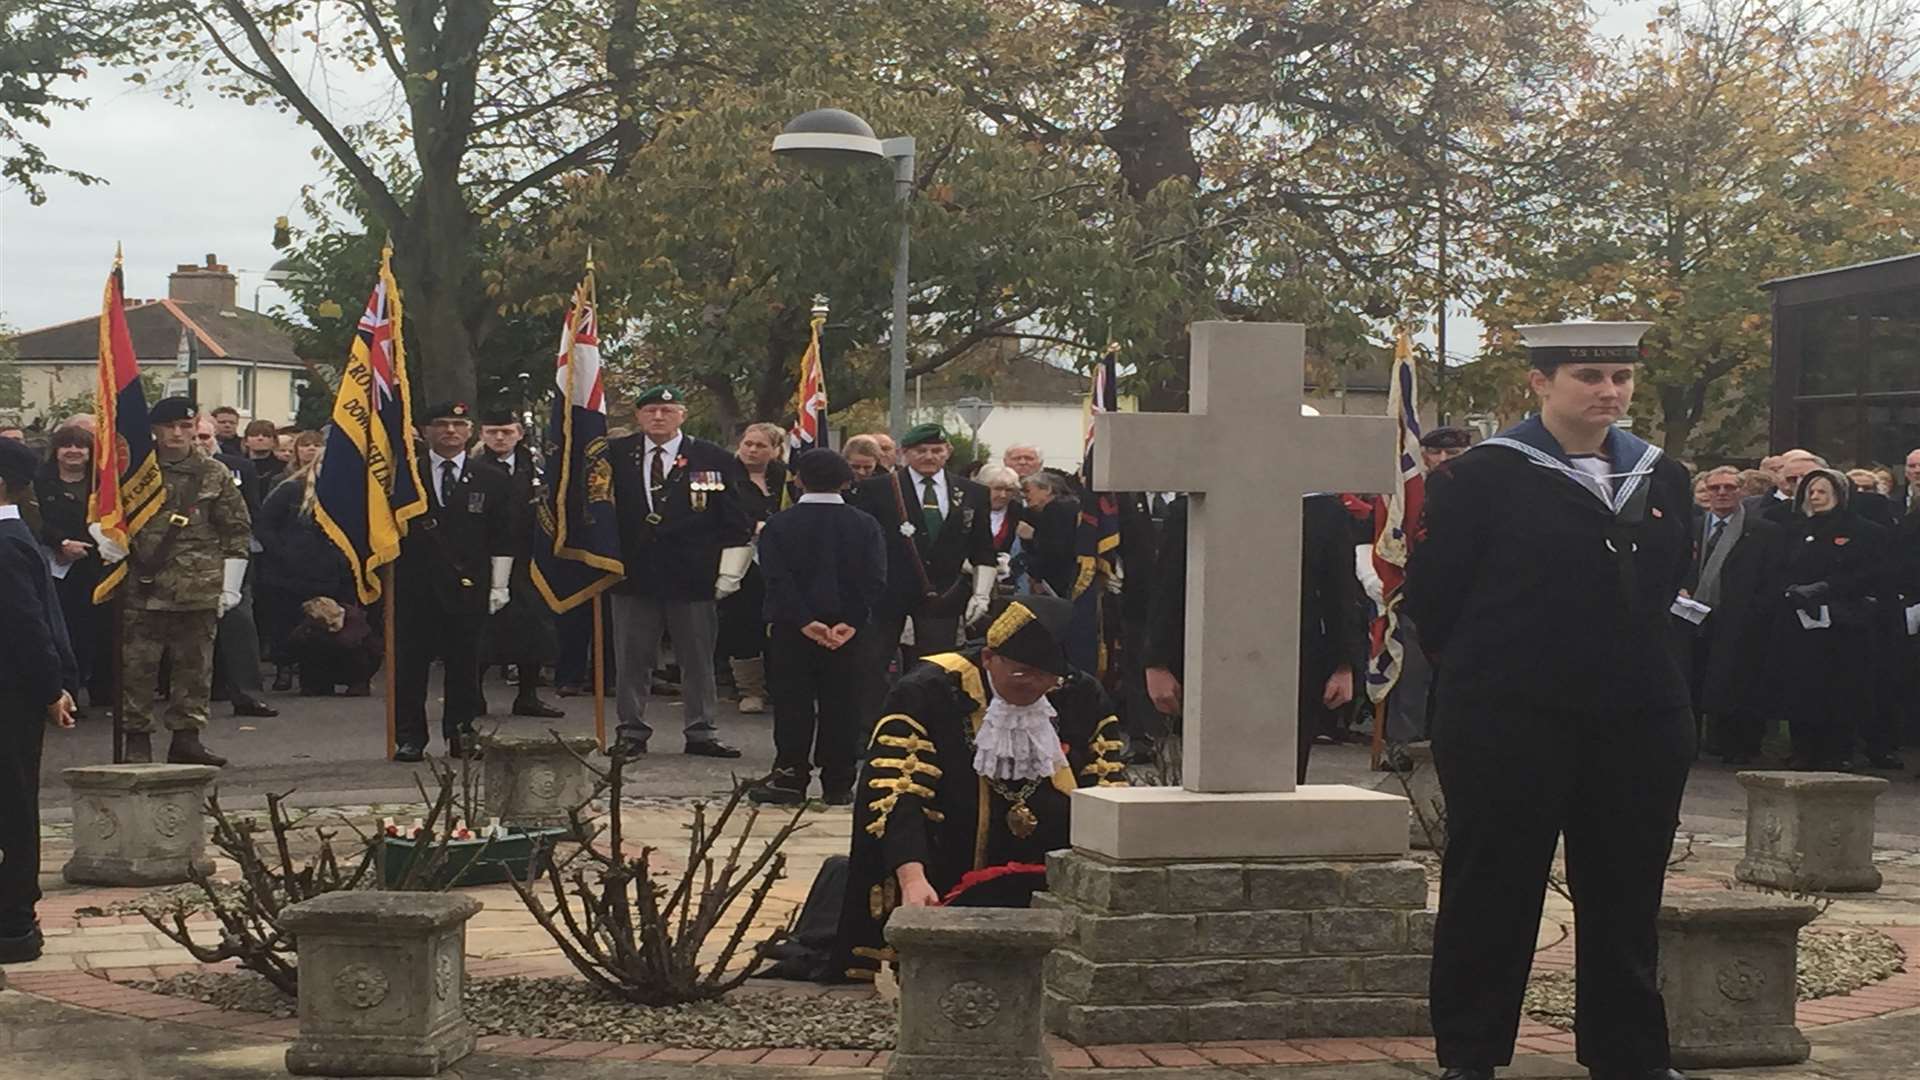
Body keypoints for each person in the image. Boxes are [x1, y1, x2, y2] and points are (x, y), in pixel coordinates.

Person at [1405, 322, 1691, 1080]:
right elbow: (1436, 599)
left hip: (1636, 714)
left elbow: (1665, 588)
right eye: (1589, 375)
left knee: (1627, 890)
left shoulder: (1664, 475)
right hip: (1510, 711)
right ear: (1540, 382)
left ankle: (1628, 1054)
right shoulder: (1479, 477)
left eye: (1621, 377)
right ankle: (1470, 1053)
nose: (1610, 391)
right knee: (1493, 884)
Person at [835, 595, 1128, 981]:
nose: (1036, 685)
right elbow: (897, 791)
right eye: (1023, 673)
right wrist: (912, 877)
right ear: (989, 658)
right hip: (948, 853)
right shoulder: (929, 690)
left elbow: (1105, 781)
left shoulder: (1078, 692)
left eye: (1047, 675)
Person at [1144, 489, 1364, 783]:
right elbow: (1169, 588)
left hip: (1295, 665)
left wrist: (1344, 665)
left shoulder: (1322, 510)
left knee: (1282, 785)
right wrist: (1157, 662)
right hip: (1211, 663)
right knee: (1214, 787)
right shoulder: (1197, 506)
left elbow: (1341, 593)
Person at [95, 397, 251, 766]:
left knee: (194, 668)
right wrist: (104, 538)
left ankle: (187, 737)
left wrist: (230, 585)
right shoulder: (133, 473)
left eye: (184, 426)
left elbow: (236, 530)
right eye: (169, 427)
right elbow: (106, 512)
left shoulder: (213, 473)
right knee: (137, 667)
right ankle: (137, 740)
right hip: (142, 586)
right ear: (155, 429)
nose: (177, 434)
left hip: (198, 586)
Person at [605, 386, 752, 759]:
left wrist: (729, 574)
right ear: (638, 416)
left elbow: (734, 520)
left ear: (682, 415)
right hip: (634, 573)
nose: (658, 417)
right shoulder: (616, 456)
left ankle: (701, 730)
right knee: (632, 659)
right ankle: (631, 730)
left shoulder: (712, 457)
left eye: (667, 410)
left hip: (693, 575)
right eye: (651, 410)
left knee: (697, 659)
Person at [747, 450, 887, 805]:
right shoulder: (865, 524)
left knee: (793, 703)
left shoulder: (780, 524)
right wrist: (850, 622)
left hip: (793, 629)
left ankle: (789, 777)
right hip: (848, 631)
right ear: (846, 481)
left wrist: (805, 621)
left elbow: (776, 578)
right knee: (844, 703)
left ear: (798, 480)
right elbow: (874, 578)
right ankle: (838, 781)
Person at [391, 401, 514, 761]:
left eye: (458, 424)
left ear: (470, 431)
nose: (450, 431)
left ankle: (462, 732)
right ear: (425, 431)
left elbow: (503, 535)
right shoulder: (405, 476)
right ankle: (409, 736)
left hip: (468, 584)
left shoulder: (491, 478)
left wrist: (500, 584)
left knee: (465, 663)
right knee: (410, 666)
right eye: (442, 424)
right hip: (415, 584)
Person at [850, 423, 997, 722]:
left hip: (943, 593)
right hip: (887, 593)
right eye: (920, 451)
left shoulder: (973, 492)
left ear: (948, 452)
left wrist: (981, 594)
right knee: (872, 665)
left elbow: (983, 548)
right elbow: (862, 544)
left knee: (936, 667)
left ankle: (931, 731)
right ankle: (870, 730)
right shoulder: (877, 489)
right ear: (904, 453)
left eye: (936, 450)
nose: (929, 456)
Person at [0, 435, 77, 965]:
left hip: (11, 695)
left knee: (12, 801)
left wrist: (52, 689)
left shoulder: (7, 544)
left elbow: (27, 627)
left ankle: (13, 920)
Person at [1770, 468, 1892, 770]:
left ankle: (1839, 750)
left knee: (1841, 687)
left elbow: (1872, 574)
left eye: (1823, 491)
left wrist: (1828, 588)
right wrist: (1791, 590)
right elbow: (1778, 566)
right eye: (1811, 491)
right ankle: (1803, 748)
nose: (1815, 497)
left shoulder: (1865, 531)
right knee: (1801, 686)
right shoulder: (1794, 529)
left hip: (1844, 622)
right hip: (1800, 619)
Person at [1682, 466, 1784, 764]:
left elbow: (1771, 577)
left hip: (1740, 621)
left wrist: (1753, 611)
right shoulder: (1690, 527)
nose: (1722, 493)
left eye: (1729, 487)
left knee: (1736, 683)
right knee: (1692, 682)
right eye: (1715, 488)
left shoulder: (1763, 531)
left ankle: (1738, 746)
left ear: (1741, 491)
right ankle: (1690, 744)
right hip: (1691, 618)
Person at [472, 406, 562, 718]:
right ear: (481, 434)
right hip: (484, 559)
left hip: (528, 559)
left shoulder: (535, 468)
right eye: (493, 432)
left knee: (532, 629)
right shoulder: (471, 468)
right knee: (482, 630)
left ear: (519, 434)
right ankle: (473, 694)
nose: (500, 437)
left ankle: (528, 695)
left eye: (507, 431)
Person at [254, 436, 357, 694]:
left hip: (329, 572)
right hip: (287, 572)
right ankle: (284, 668)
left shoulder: (348, 494)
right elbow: (265, 525)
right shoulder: (291, 489)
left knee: (323, 624)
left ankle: (318, 676)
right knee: (285, 623)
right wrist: (283, 553)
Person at [192, 414, 277, 719]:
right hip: (184, 557)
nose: (199, 442)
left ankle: (247, 694)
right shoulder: (165, 469)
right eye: (195, 436)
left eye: (204, 436)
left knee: (239, 623)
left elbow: (251, 514)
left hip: (229, 555)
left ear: (214, 437)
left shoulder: (239, 467)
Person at [34, 425, 109, 711]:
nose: (74, 452)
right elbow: (34, 518)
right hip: (57, 565)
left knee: (100, 631)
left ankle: (103, 692)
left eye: (81, 446)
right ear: (56, 451)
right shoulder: (40, 482)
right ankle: (67, 695)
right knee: (63, 632)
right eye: (67, 446)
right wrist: (60, 542)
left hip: (98, 563)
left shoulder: (102, 484)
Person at [720, 422, 790, 715]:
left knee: (781, 624)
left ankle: (780, 686)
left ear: (775, 450)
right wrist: (753, 526)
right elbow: (719, 512)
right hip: (740, 559)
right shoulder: (726, 474)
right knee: (744, 623)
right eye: (748, 443)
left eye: (761, 445)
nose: (752, 450)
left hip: (782, 560)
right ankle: (749, 690)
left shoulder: (786, 478)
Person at [1016, 470, 1080, 598]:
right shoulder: (1073, 505)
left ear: (1048, 489)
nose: (1024, 496)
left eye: (1028, 491)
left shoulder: (1055, 509)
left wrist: (1033, 535)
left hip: (1058, 579)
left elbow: (1055, 548)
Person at [977, 464, 1026, 592]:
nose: (1003, 495)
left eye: (1009, 490)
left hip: (1008, 583)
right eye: (997, 489)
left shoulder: (1020, 512)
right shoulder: (970, 509)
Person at [243, 419, 286, 488]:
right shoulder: (237, 466)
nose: (260, 438)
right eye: (254, 435)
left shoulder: (284, 468)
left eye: (266, 435)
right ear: (246, 441)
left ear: (274, 442)